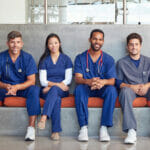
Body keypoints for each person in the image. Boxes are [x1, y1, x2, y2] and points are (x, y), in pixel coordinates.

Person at [74, 29, 117, 142]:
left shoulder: (108, 59)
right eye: (95, 39)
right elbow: (78, 78)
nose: (97, 42)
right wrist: (88, 81)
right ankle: (83, 128)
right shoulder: (80, 57)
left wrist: (103, 82)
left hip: (102, 88)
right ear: (90, 40)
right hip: (86, 87)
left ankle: (104, 128)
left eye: (100, 39)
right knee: (79, 89)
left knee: (112, 90)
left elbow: (112, 80)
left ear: (103, 41)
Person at [0, 31, 41, 141]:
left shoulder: (27, 58)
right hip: (5, 89)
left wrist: (17, 87)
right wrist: (5, 86)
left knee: (34, 89)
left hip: (23, 89)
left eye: (18, 42)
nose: (15, 45)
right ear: (7, 43)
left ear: (22, 44)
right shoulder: (1, 57)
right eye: (12, 42)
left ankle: (31, 129)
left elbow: (31, 81)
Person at [116, 33, 150, 144]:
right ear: (127, 47)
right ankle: (131, 131)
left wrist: (146, 85)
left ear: (140, 46)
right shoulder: (121, 63)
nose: (134, 47)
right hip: (130, 90)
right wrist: (131, 86)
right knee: (124, 92)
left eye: (136, 44)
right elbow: (118, 82)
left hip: (147, 89)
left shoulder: (148, 61)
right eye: (131, 44)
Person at [37, 33, 73, 140]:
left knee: (54, 92)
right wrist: (56, 85)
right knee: (56, 99)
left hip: (62, 90)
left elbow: (68, 79)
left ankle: (44, 117)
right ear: (47, 46)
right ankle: (55, 132)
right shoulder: (44, 60)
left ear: (60, 44)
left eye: (56, 43)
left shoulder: (66, 59)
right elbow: (43, 81)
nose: (53, 45)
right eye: (50, 44)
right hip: (49, 90)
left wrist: (52, 86)